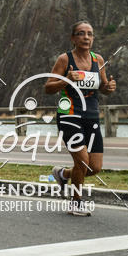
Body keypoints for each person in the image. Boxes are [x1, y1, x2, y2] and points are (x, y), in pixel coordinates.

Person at [45, 20, 116, 216]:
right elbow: (48, 87)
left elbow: (102, 87)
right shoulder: (65, 59)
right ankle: (76, 203)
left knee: (94, 167)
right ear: (73, 38)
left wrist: (108, 88)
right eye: (81, 33)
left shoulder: (98, 60)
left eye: (89, 34)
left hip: (91, 117)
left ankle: (62, 174)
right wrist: (66, 80)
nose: (86, 37)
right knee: (82, 161)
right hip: (69, 115)